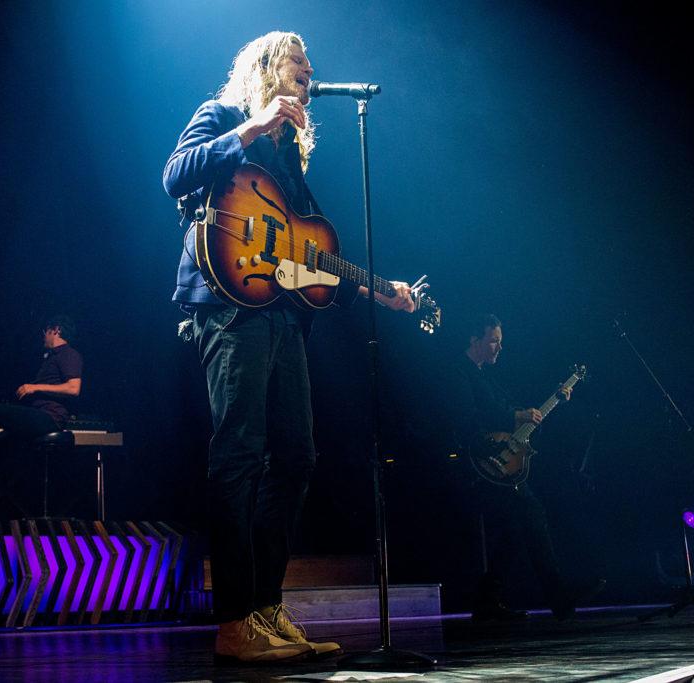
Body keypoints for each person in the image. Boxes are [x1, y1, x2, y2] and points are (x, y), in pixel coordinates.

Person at [163, 32, 416, 663]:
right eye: (298, 64)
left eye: (310, 67)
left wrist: (373, 290)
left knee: (298, 457)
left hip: (279, 315)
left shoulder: (290, 156)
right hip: (228, 308)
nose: (309, 74)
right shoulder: (223, 115)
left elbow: (310, 251)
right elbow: (174, 175)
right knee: (239, 456)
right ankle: (232, 622)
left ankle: (264, 607)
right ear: (266, 70)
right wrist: (250, 128)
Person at [447, 314, 601, 621]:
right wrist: (516, 416)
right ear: (473, 340)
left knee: (516, 528)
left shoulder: (486, 376)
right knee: (530, 513)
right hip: (478, 461)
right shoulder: (458, 372)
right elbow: (468, 419)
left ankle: (488, 601)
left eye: (500, 342)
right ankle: (558, 596)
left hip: (498, 459)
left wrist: (549, 404)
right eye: (493, 341)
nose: (498, 349)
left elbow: (515, 418)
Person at [0, 315, 83, 496]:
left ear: (56, 330)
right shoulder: (50, 358)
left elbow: (73, 388)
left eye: (45, 332)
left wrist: (34, 387)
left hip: (50, 418)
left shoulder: (69, 354)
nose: (43, 336)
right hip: (38, 414)